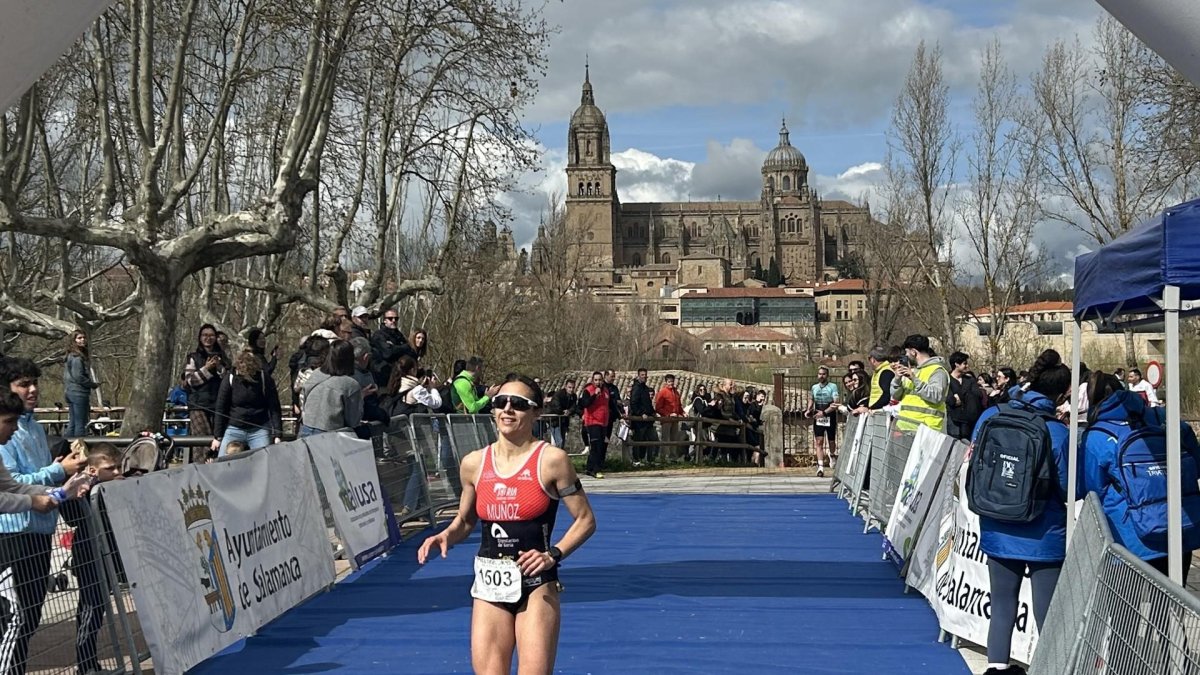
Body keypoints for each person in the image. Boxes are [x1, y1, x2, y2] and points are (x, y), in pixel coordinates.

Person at [417, 375, 595, 674]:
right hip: (490, 586)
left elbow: (585, 519)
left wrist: (553, 554)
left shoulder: (551, 460)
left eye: (519, 404)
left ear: (536, 412)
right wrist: (446, 534)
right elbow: (466, 520)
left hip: (536, 584)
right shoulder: (474, 463)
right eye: (501, 402)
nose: (508, 409)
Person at [971, 349, 1077, 675]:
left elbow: (975, 466)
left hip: (997, 526)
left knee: (1002, 606)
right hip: (1044, 534)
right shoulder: (1058, 433)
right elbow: (1071, 487)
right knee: (1047, 615)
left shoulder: (991, 417)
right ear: (1061, 394)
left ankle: (996, 668)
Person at [0, 358, 87, 675]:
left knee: (28, 619)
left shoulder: (34, 428)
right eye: (24, 384)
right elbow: (15, 485)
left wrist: (64, 485)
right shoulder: (6, 433)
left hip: (40, 532)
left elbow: (20, 483)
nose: (33, 389)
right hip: (11, 536)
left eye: (35, 382)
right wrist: (57, 472)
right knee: (13, 619)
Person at [1084, 370, 1200, 583]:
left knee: (1124, 611)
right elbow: (1196, 464)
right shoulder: (1165, 419)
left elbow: (1093, 491)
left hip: (1127, 539)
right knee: (1166, 609)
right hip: (1178, 529)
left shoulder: (1096, 436)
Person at [59, 442, 123, 675]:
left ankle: (89, 663)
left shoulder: (116, 485)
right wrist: (79, 496)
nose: (117, 472)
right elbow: (71, 518)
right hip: (88, 554)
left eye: (118, 467)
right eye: (111, 468)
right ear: (94, 470)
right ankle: (85, 664)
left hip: (111, 553)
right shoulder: (81, 487)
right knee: (90, 608)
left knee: (98, 608)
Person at [212, 349, 282, 457]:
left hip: (259, 428)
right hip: (234, 427)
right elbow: (221, 407)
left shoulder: (265, 378)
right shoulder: (230, 378)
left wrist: (278, 434)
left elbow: (274, 407)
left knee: (263, 463)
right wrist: (217, 436)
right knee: (222, 461)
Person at [182, 323, 229, 460]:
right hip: (198, 405)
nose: (208, 338)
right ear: (200, 338)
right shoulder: (193, 357)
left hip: (218, 404)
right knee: (200, 441)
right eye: (205, 335)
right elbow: (190, 380)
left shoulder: (223, 357)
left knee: (218, 439)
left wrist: (219, 367)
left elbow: (228, 379)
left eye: (211, 335)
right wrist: (206, 369)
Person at [300, 340, 364, 437]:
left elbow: (304, 401)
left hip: (306, 429)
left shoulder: (315, 374)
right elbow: (353, 421)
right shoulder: (350, 385)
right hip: (330, 434)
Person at [890, 334, 949, 433]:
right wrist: (897, 379)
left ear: (913, 352)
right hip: (904, 427)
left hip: (926, 430)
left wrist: (914, 379)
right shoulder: (913, 371)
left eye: (907, 352)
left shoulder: (938, 371)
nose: (906, 356)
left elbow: (936, 396)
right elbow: (896, 396)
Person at [63, 330, 100, 438]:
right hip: (78, 393)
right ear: (74, 341)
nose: (83, 340)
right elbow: (78, 376)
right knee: (80, 424)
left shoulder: (70, 356)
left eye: (84, 337)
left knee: (73, 423)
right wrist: (92, 384)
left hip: (70, 392)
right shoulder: (76, 358)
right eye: (79, 338)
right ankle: (79, 449)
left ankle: (67, 448)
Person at [808, 367, 839, 477]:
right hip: (818, 415)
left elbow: (836, 402)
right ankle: (820, 467)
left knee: (831, 440)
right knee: (819, 441)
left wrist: (825, 412)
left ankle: (832, 454)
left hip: (829, 414)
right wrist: (808, 409)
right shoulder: (814, 387)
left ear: (827, 375)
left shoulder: (833, 386)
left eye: (824, 374)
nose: (821, 376)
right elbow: (812, 399)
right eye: (820, 374)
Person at [579, 372, 611, 478]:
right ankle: (596, 469)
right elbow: (585, 404)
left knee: (600, 446)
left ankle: (589, 467)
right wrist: (594, 395)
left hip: (603, 422)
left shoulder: (606, 391)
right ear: (593, 380)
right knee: (596, 446)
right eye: (596, 380)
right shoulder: (588, 390)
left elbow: (609, 405)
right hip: (592, 421)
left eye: (600, 380)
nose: (598, 382)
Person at [946, 351, 983, 441]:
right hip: (954, 420)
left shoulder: (970, 380)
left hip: (968, 420)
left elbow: (978, 394)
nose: (967, 366)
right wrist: (965, 395)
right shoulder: (947, 379)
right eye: (964, 363)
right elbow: (950, 399)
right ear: (956, 364)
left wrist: (959, 396)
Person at [627, 369, 657, 466]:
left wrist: (653, 412)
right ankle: (636, 460)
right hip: (639, 421)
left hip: (647, 420)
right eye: (642, 375)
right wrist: (640, 414)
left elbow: (648, 403)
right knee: (638, 440)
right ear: (638, 376)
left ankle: (648, 459)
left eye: (645, 375)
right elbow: (633, 403)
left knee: (650, 439)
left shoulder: (645, 388)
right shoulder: (636, 388)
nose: (644, 376)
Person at [654, 374, 685, 462]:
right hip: (666, 419)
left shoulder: (676, 392)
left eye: (672, 381)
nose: (671, 383)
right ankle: (663, 457)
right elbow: (658, 408)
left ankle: (673, 457)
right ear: (666, 382)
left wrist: (682, 413)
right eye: (669, 381)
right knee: (665, 438)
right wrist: (668, 414)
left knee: (674, 438)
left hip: (675, 420)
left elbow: (679, 405)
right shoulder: (662, 392)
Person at [546, 379, 578, 450]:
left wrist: (569, 411)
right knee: (559, 441)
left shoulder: (574, 396)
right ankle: (557, 458)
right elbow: (556, 406)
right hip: (554, 420)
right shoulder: (558, 394)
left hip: (563, 420)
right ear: (565, 387)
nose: (571, 390)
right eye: (569, 387)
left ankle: (559, 457)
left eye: (573, 388)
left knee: (562, 441)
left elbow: (574, 407)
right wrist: (563, 412)